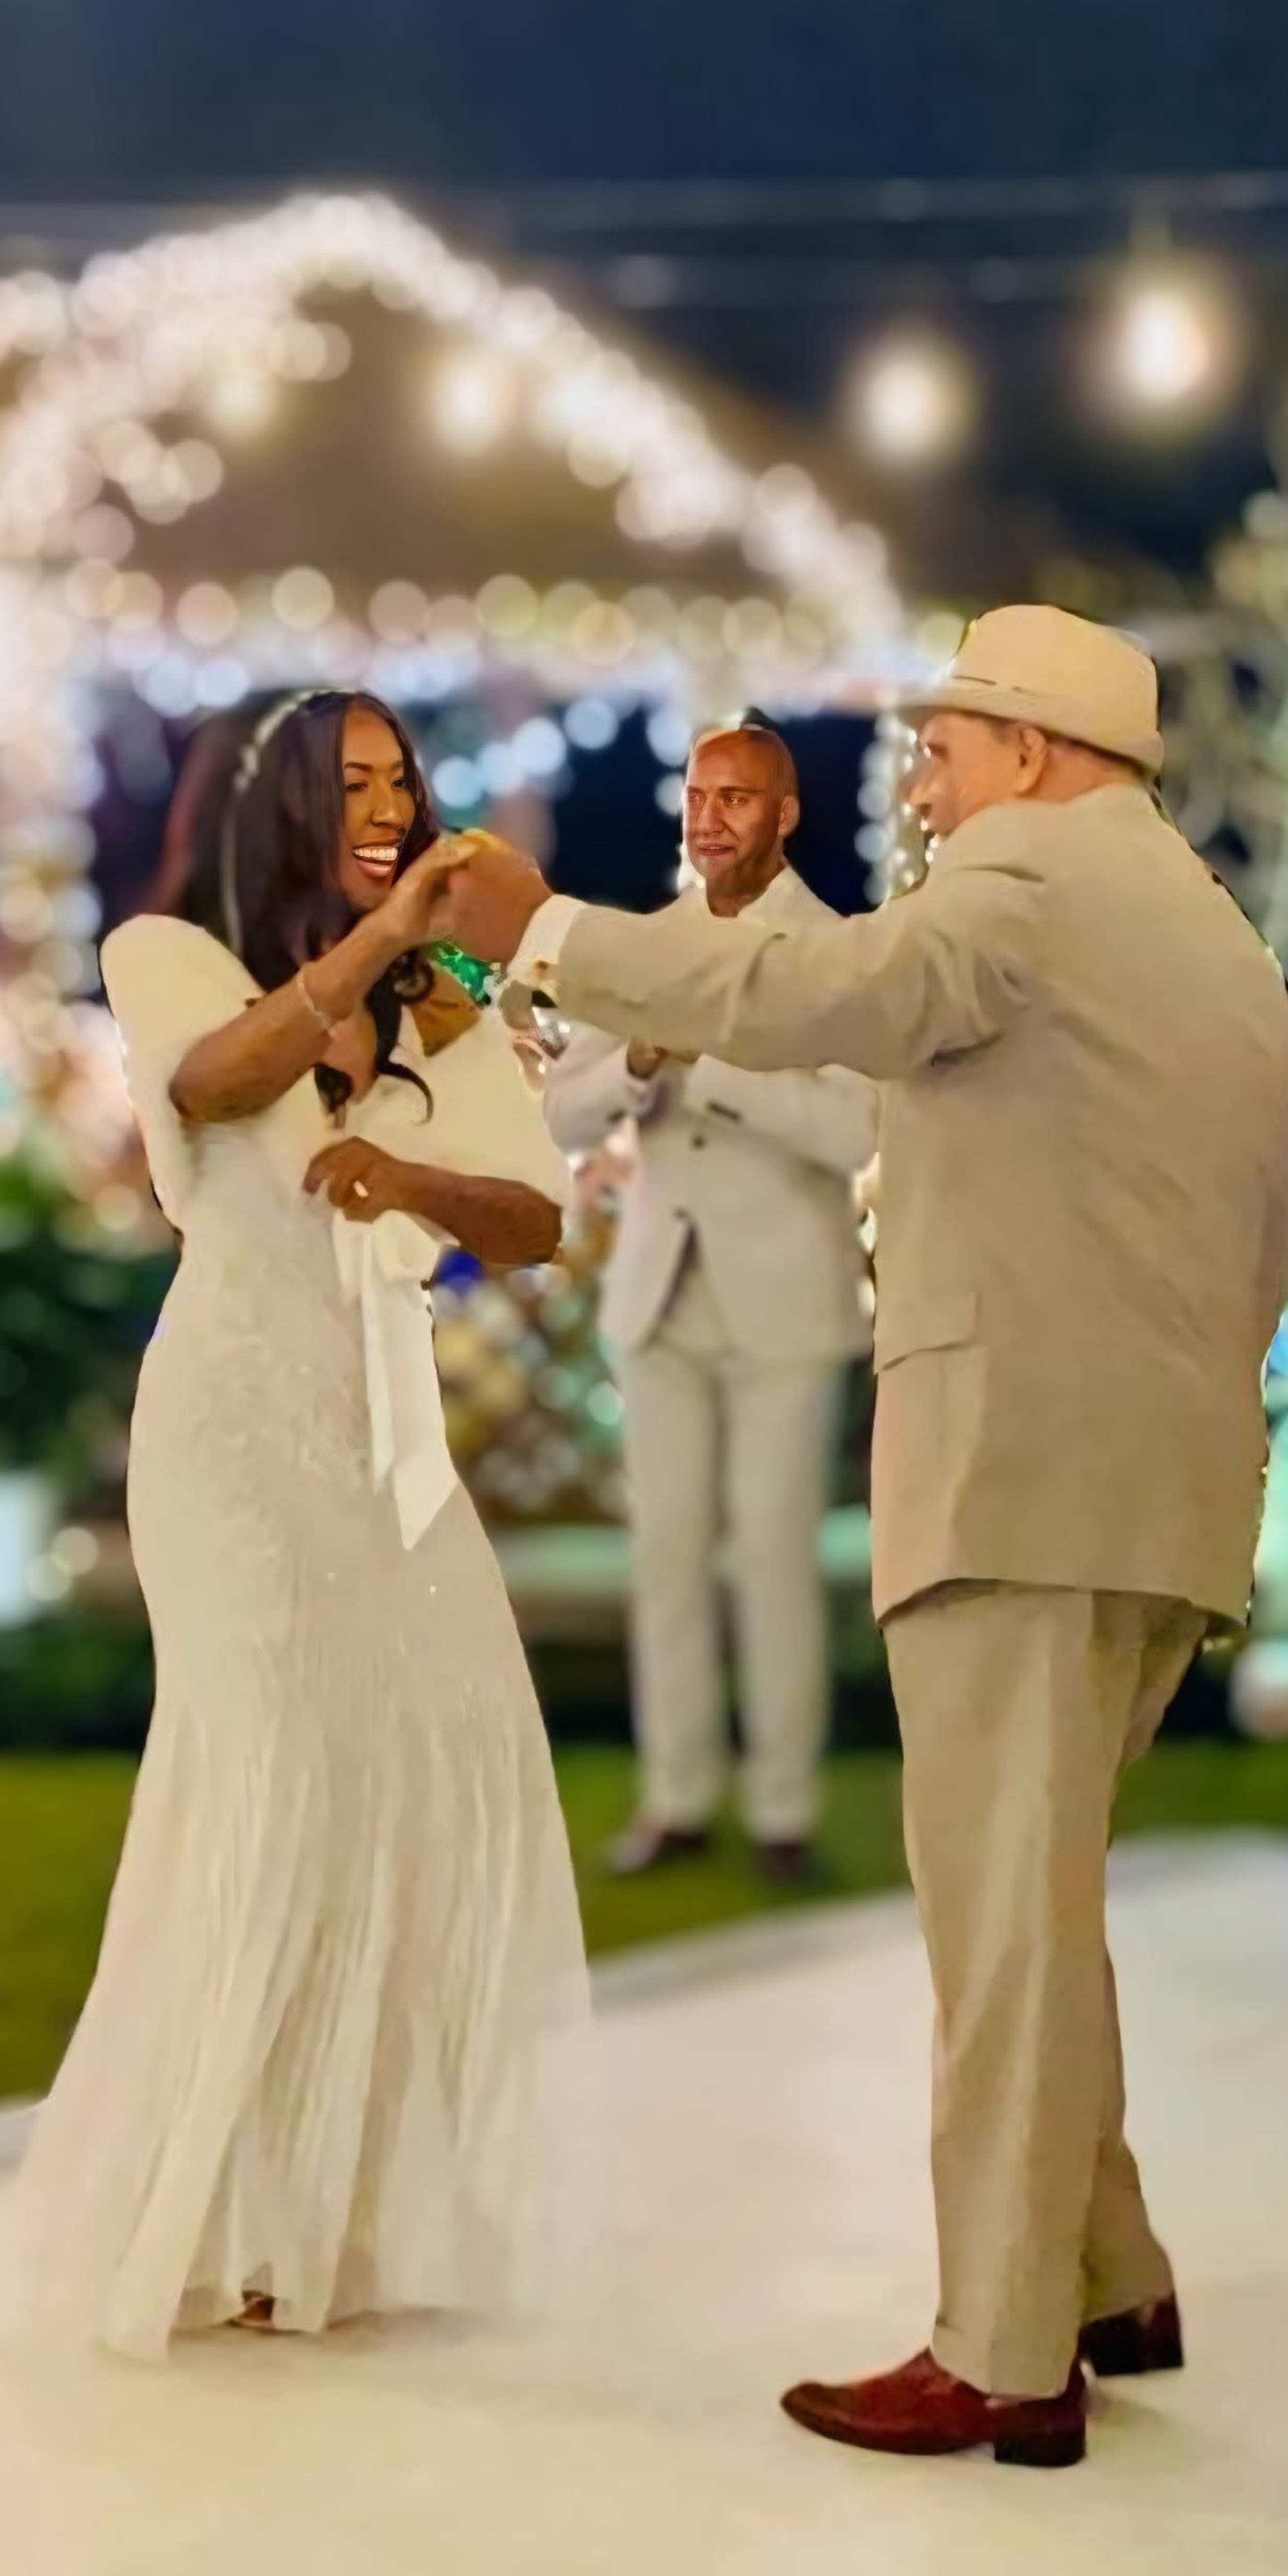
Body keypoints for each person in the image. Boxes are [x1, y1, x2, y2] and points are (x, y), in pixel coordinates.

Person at [430, 609, 1288, 2469]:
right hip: (1152, 1476)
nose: (924, 776)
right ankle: (1103, 2271)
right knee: (1039, 1894)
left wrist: (550, 932)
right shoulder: (1207, 928)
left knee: (999, 1917)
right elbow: (1272, 1237)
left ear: (1039, 750)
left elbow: (813, 998)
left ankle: (1001, 2349)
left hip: (1021, 1468)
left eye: (951, 742)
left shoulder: (1024, 888)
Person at [15, 690, 585, 2359]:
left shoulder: (450, 1001)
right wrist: (372, 948)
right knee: (263, 1780)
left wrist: (416, 1159)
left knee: (415, 1774)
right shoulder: (163, 946)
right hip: (231, 1430)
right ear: (272, 803)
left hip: (382, 1435)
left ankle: (329, 2221)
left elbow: (536, 1214)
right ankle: (207, 2217)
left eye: (403, 783)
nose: (388, 806)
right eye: (351, 786)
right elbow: (214, 1080)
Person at [539, 721, 877, 1886]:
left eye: (740, 798)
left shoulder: (837, 953)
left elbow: (861, 1130)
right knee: (666, 1561)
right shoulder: (644, 946)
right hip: (659, 1295)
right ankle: (675, 1796)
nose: (713, 815)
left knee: (776, 1563)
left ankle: (784, 1809)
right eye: (700, 794)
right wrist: (633, 1067)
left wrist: (716, 1071)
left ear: (785, 817)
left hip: (786, 1298)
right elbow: (558, 1115)